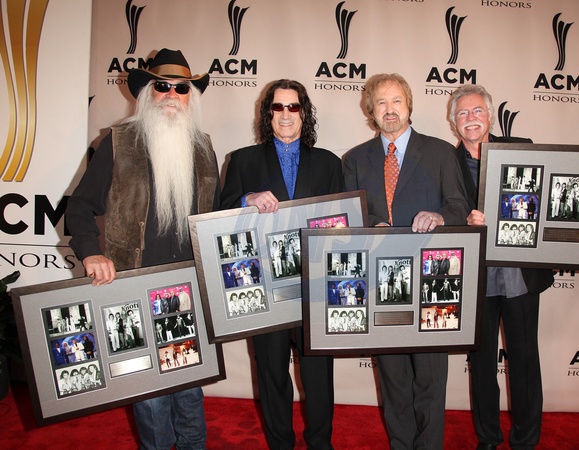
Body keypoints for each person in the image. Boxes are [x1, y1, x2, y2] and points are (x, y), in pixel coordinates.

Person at [65, 48, 218, 449]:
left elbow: (214, 216)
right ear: (148, 92)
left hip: (184, 289)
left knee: (188, 388)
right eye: (162, 86)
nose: (171, 95)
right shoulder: (117, 143)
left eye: (181, 88)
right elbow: (79, 207)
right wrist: (90, 252)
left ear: (191, 96)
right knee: (149, 395)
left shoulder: (204, 148)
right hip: (131, 286)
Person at [343, 73, 470, 449]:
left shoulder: (441, 152)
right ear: (370, 111)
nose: (390, 109)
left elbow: (459, 206)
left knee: (431, 378)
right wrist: (371, 225)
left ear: (409, 105)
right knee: (394, 379)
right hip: (382, 284)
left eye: (396, 100)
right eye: (381, 103)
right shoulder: (354, 159)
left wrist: (440, 216)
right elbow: (348, 216)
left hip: (432, 280)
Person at [220, 79, 340, 449]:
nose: (286, 114)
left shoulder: (329, 163)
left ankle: (320, 443)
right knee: (271, 372)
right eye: (278, 107)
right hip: (265, 288)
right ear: (267, 113)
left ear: (304, 113)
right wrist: (246, 198)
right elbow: (219, 216)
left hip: (315, 287)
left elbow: (344, 227)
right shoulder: (242, 160)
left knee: (319, 375)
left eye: (293, 106)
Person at [448, 84, 554, 450]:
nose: (471, 118)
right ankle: (488, 439)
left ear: (490, 116)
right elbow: (444, 213)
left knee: (525, 360)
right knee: (481, 365)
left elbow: (545, 199)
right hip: (476, 278)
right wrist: (465, 222)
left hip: (518, 275)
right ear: (453, 122)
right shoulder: (445, 161)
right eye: (463, 113)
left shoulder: (522, 148)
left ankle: (526, 441)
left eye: (477, 110)